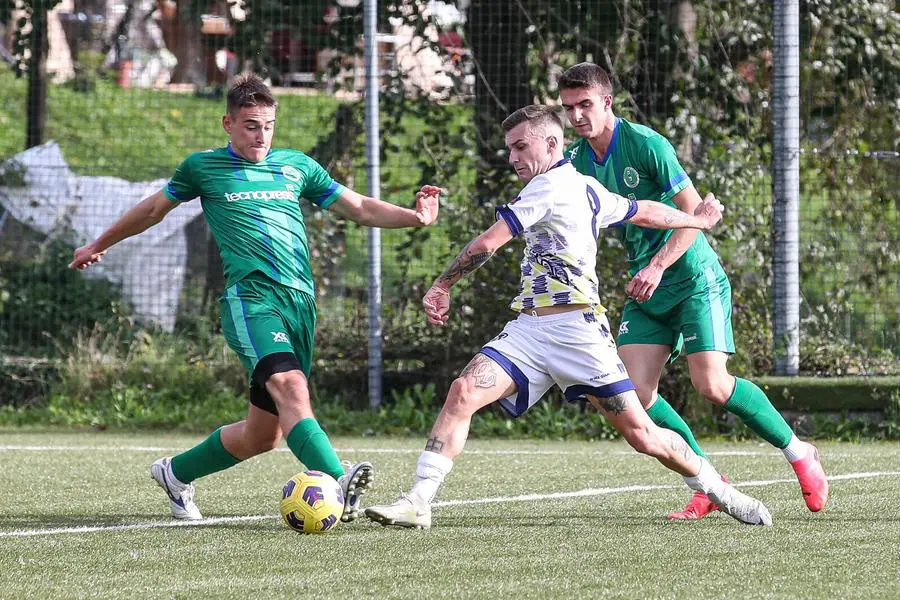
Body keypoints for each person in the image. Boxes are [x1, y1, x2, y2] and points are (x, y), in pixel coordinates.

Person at [364, 105, 772, 530]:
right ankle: (418, 501)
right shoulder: (586, 188)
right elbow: (644, 210)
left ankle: (723, 493)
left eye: (521, 146)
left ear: (552, 143)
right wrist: (696, 219)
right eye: (509, 149)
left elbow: (488, 243)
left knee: (643, 435)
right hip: (530, 329)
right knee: (463, 391)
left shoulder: (550, 188)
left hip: (580, 333)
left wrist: (442, 285)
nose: (513, 157)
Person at [68, 72, 440, 523]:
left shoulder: (296, 165)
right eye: (250, 125)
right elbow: (151, 210)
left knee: (263, 436)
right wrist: (99, 244)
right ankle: (338, 480)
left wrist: (415, 217)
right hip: (251, 300)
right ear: (228, 123)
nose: (260, 135)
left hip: (299, 303)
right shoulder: (202, 168)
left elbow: (358, 207)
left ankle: (174, 472)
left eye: (267, 125)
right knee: (291, 387)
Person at [557, 62, 828, 519]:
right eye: (568, 108)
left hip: (692, 278)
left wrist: (659, 265)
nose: (578, 115)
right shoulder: (578, 162)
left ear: (606, 101)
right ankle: (710, 483)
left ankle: (800, 452)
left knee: (712, 385)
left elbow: (695, 217)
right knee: (635, 397)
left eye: (585, 104)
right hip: (648, 288)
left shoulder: (646, 145)